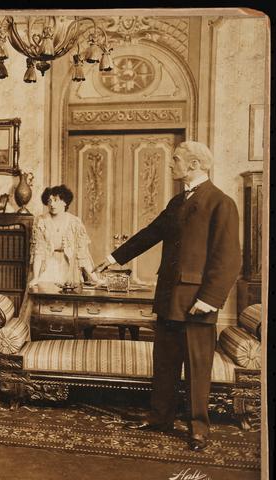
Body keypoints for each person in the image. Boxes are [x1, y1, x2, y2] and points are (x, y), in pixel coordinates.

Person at [94, 141, 241, 452]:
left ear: (194, 165)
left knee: (197, 367)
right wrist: (113, 257)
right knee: (164, 362)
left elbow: (228, 259)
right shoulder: (177, 202)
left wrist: (209, 299)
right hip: (169, 297)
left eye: (175, 159)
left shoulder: (221, 202)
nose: (171, 164)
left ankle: (198, 428)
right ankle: (160, 417)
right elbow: (151, 233)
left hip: (198, 302)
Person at [27, 184, 97, 288]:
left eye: (56, 200)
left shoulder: (74, 222)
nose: (52, 204)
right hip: (47, 267)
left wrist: (95, 278)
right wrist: (36, 277)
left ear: (65, 202)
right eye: (49, 201)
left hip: (69, 267)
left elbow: (82, 254)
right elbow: (38, 251)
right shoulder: (41, 221)